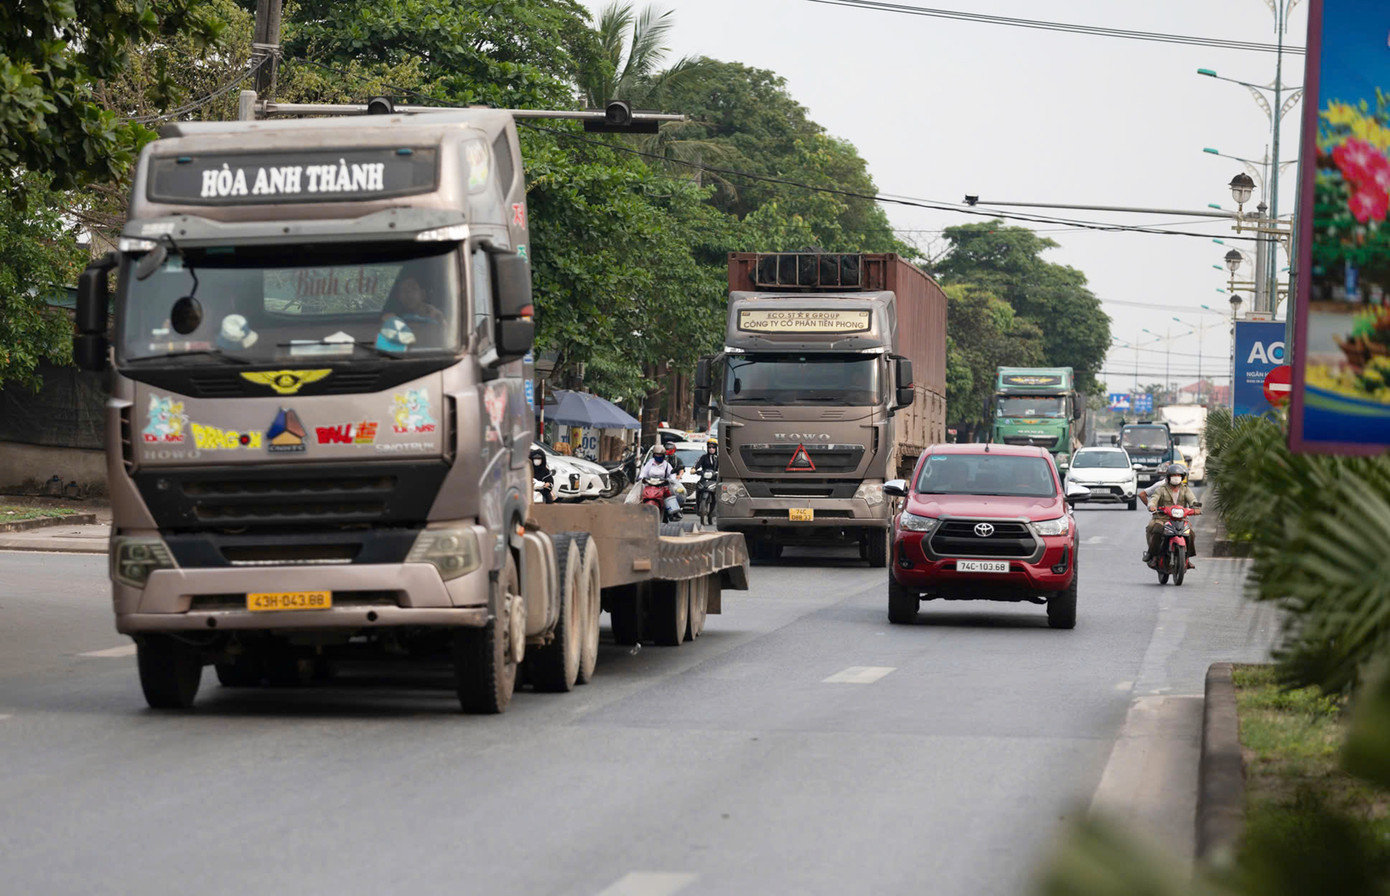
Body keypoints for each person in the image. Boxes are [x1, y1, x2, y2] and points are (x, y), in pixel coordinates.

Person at [1144, 462, 1199, 568]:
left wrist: (1195, 507)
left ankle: (1187, 557)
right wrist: (1151, 506)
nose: (1176, 478)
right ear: (1169, 477)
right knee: (1156, 530)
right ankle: (1153, 555)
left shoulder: (1185, 489)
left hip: (1181, 518)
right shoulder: (1161, 489)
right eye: (1174, 475)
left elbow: (1192, 500)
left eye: (1178, 475)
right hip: (1162, 518)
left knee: (1190, 533)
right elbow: (1154, 499)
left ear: (1182, 477)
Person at [638, 444, 682, 519]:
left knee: (670, 493)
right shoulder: (649, 463)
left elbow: (672, 474)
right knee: (638, 493)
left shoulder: (666, 465)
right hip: (649, 485)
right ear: (654, 455)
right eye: (657, 455)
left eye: (660, 455)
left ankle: (674, 511)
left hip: (662, 486)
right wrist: (640, 478)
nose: (658, 456)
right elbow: (643, 472)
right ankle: (635, 508)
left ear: (664, 456)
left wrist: (672, 480)